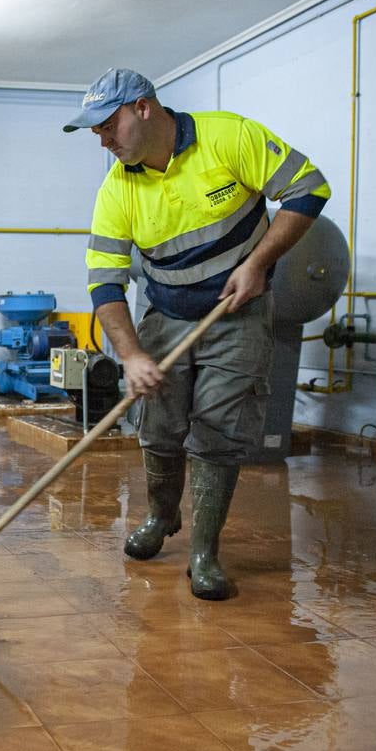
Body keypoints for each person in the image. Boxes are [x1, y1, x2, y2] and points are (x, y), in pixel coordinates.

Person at [64, 68, 330, 600]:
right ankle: (162, 518)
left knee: (219, 430)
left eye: (107, 124)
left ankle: (205, 551)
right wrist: (133, 354)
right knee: (158, 426)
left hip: (239, 313)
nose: (103, 139)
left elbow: (308, 188)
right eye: (95, 131)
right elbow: (105, 284)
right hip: (165, 315)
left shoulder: (229, 136)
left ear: (143, 108)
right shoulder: (117, 190)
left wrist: (259, 263)